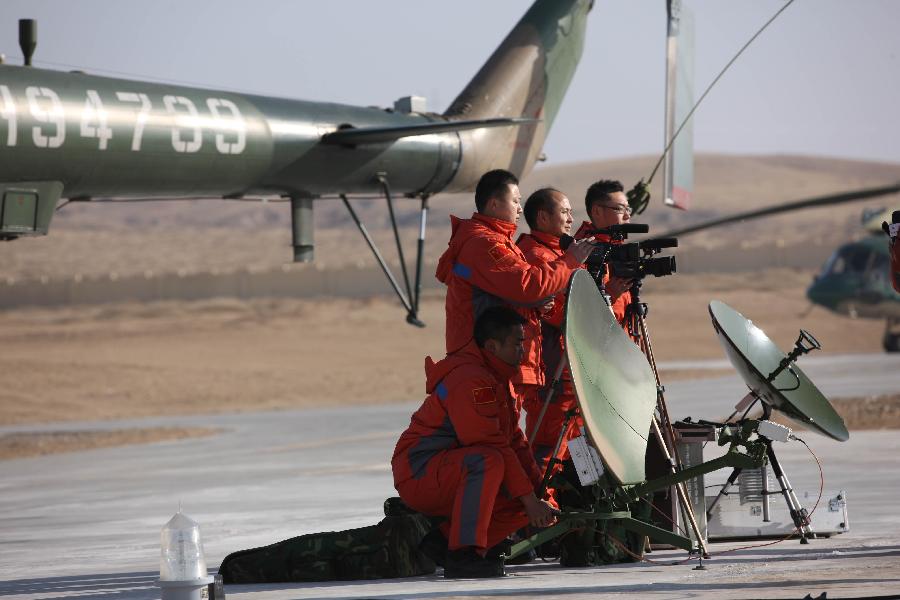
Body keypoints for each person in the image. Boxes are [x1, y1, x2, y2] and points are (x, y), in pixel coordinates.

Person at [391, 306, 557, 578]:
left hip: (449, 469)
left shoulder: (497, 377)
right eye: (517, 344)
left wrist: (541, 495)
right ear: (492, 346)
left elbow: (514, 440)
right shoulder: (471, 380)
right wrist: (529, 498)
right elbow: (491, 445)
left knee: (525, 498)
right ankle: (463, 554)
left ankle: (444, 542)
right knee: (487, 461)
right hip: (420, 472)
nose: (522, 352)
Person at [436, 169, 594, 357]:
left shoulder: (498, 241)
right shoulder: (485, 244)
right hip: (484, 358)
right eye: (515, 201)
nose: (520, 208)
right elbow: (527, 285)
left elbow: (510, 294)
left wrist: (534, 306)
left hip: (497, 356)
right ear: (494, 204)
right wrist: (571, 260)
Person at [516, 188, 583, 479]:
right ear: (543, 217)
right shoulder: (534, 254)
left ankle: (573, 508)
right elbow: (555, 309)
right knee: (549, 447)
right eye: (565, 212)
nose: (570, 218)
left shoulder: (562, 252)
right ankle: (539, 511)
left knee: (578, 447)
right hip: (552, 368)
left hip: (571, 367)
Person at [574, 179, 636, 326]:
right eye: (620, 209)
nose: (627, 216)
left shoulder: (617, 248)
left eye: (629, 209)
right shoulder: (580, 252)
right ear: (597, 211)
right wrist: (608, 295)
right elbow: (577, 313)